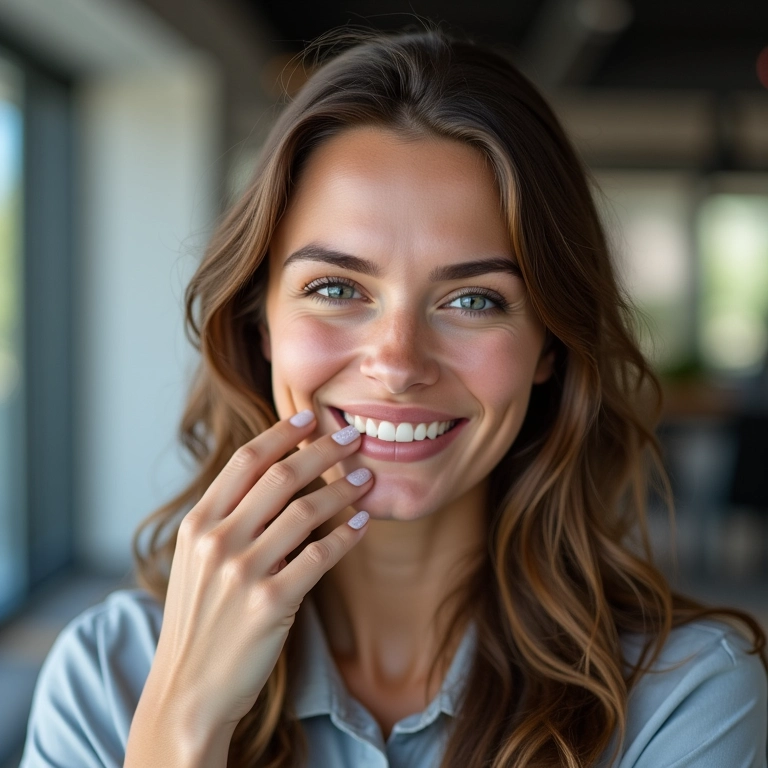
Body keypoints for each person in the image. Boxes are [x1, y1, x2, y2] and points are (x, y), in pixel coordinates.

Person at [19, 26, 768, 768]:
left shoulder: (686, 693)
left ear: (550, 345)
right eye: (336, 288)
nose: (399, 364)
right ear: (260, 324)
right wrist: (184, 723)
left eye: (474, 300)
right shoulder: (107, 676)